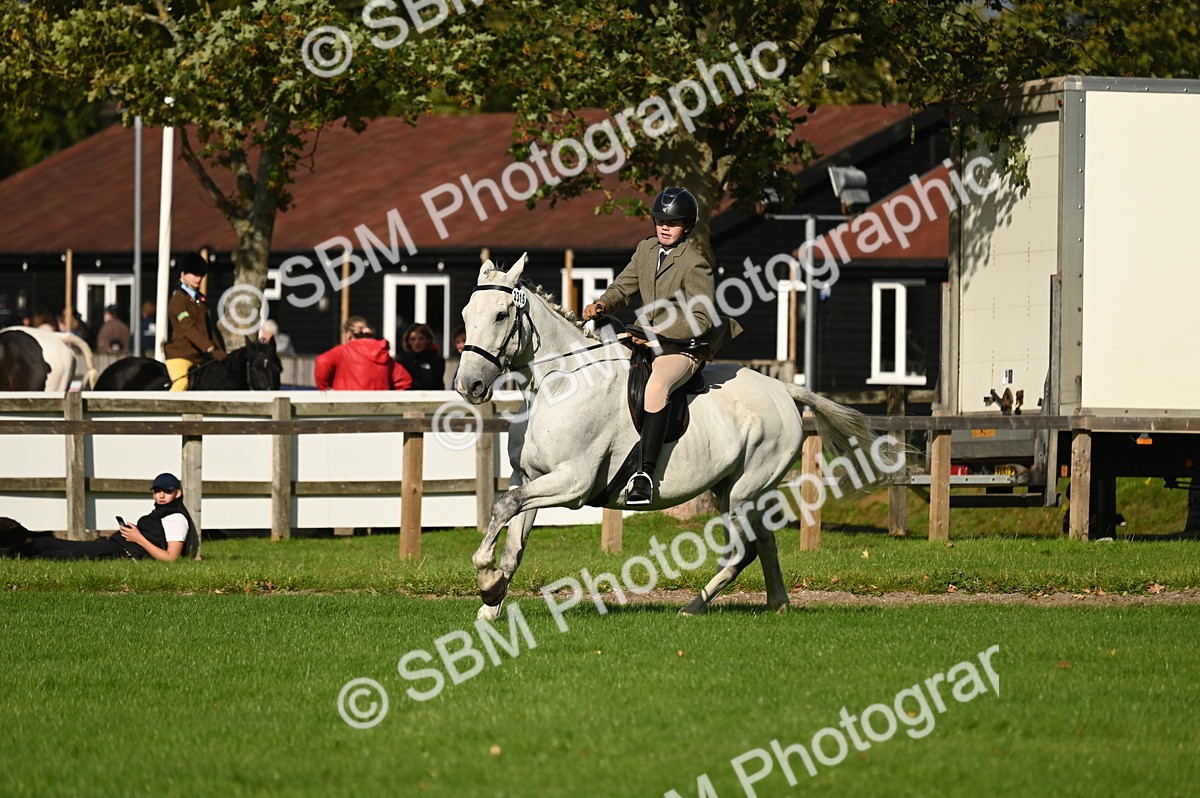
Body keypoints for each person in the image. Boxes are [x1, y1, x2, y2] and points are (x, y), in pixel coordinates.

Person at [582, 187, 741, 505]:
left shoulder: (695, 263)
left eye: (675, 222)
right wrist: (603, 304)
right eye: (660, 221)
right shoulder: (645, 250)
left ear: (688, 227)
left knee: (656, 387)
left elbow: (701, 316)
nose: (665, 227)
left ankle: (644, 476)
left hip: (686, 347)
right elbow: (624, 287)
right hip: (648, 340)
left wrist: (658, 329)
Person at [1, 473, 198, 561]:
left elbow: (171, 558)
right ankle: (7, 553)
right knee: (45, 542)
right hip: (112, 545)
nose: (161, 496)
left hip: (120, 553)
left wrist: (138, 538)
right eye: (157, 491)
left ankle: (8, 557)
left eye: (167, 491)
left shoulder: (176, 518)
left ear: (178, 493)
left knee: (55, 556)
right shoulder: (161, 513)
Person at [163, 253, 225, 391]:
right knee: (181, 384)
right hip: (181, 354)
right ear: (183, 274)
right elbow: (188, 328)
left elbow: (208, 329)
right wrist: (210, 348)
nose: (199, 278)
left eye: (201, 275)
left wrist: (220, 351)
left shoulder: (200, 300)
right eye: (195, 274)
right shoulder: (178, 300)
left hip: (200, 355)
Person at [314, 316, 412, 390]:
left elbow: (322, 361)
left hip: (346, 410)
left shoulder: (343, 352)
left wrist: (325, 388)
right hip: (378, 412)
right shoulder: (383, 353)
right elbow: (404, 380)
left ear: (348, 334)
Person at [398, 322, 446, 390]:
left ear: (428, 340)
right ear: (408, 341)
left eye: (421, 338)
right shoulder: (402, 361)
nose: (417, 343)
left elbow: (434, 382)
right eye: (413, 339)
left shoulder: (437, 361)